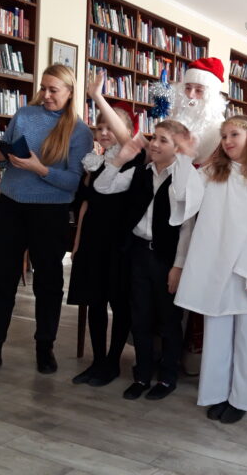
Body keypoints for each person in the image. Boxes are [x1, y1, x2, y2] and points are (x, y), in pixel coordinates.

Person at [0, 64, 94, 378]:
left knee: (48, 283)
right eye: (43, 88)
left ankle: (44, 348)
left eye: (53, 90)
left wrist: (40, 169)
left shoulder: (80, 132)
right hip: (11, 206)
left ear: (70, 92)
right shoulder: (23, 115)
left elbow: (73, 182)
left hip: (50, 213)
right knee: (1, 281)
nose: (46, 95)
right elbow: (1, 159)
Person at [174, 115, 247, 424]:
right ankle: (216, 393)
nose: (227, 141)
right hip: (217, 267)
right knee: (217, 335)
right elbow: (183, 197)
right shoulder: (213, 172)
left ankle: (242, 398)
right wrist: (184, 159)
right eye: (223, 136)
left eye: (234, 134)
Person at [94, 119, 202, 401]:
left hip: (166, 258)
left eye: (163, 140)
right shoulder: (141, 172)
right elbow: (102, 187)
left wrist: (178, 266)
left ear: (178, 148)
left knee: (168, 320)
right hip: (138, 253)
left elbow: (186, 226)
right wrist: (120, 159)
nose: (154, 144)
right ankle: (141, 375)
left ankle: (167, 377)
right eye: (154, 138)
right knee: (139, 317)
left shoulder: (186, 176)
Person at [67, 106, 135, 387]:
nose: (104, 132)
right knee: (94, 301)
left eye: (111, 127)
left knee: (119, 304)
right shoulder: (93, 162)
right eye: (100, 127)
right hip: (93, 240)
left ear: (125, 130)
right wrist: (77, 243)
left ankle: (112, 361)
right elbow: (85, 204)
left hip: (119, 243)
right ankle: (97, 360)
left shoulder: (132, 160)